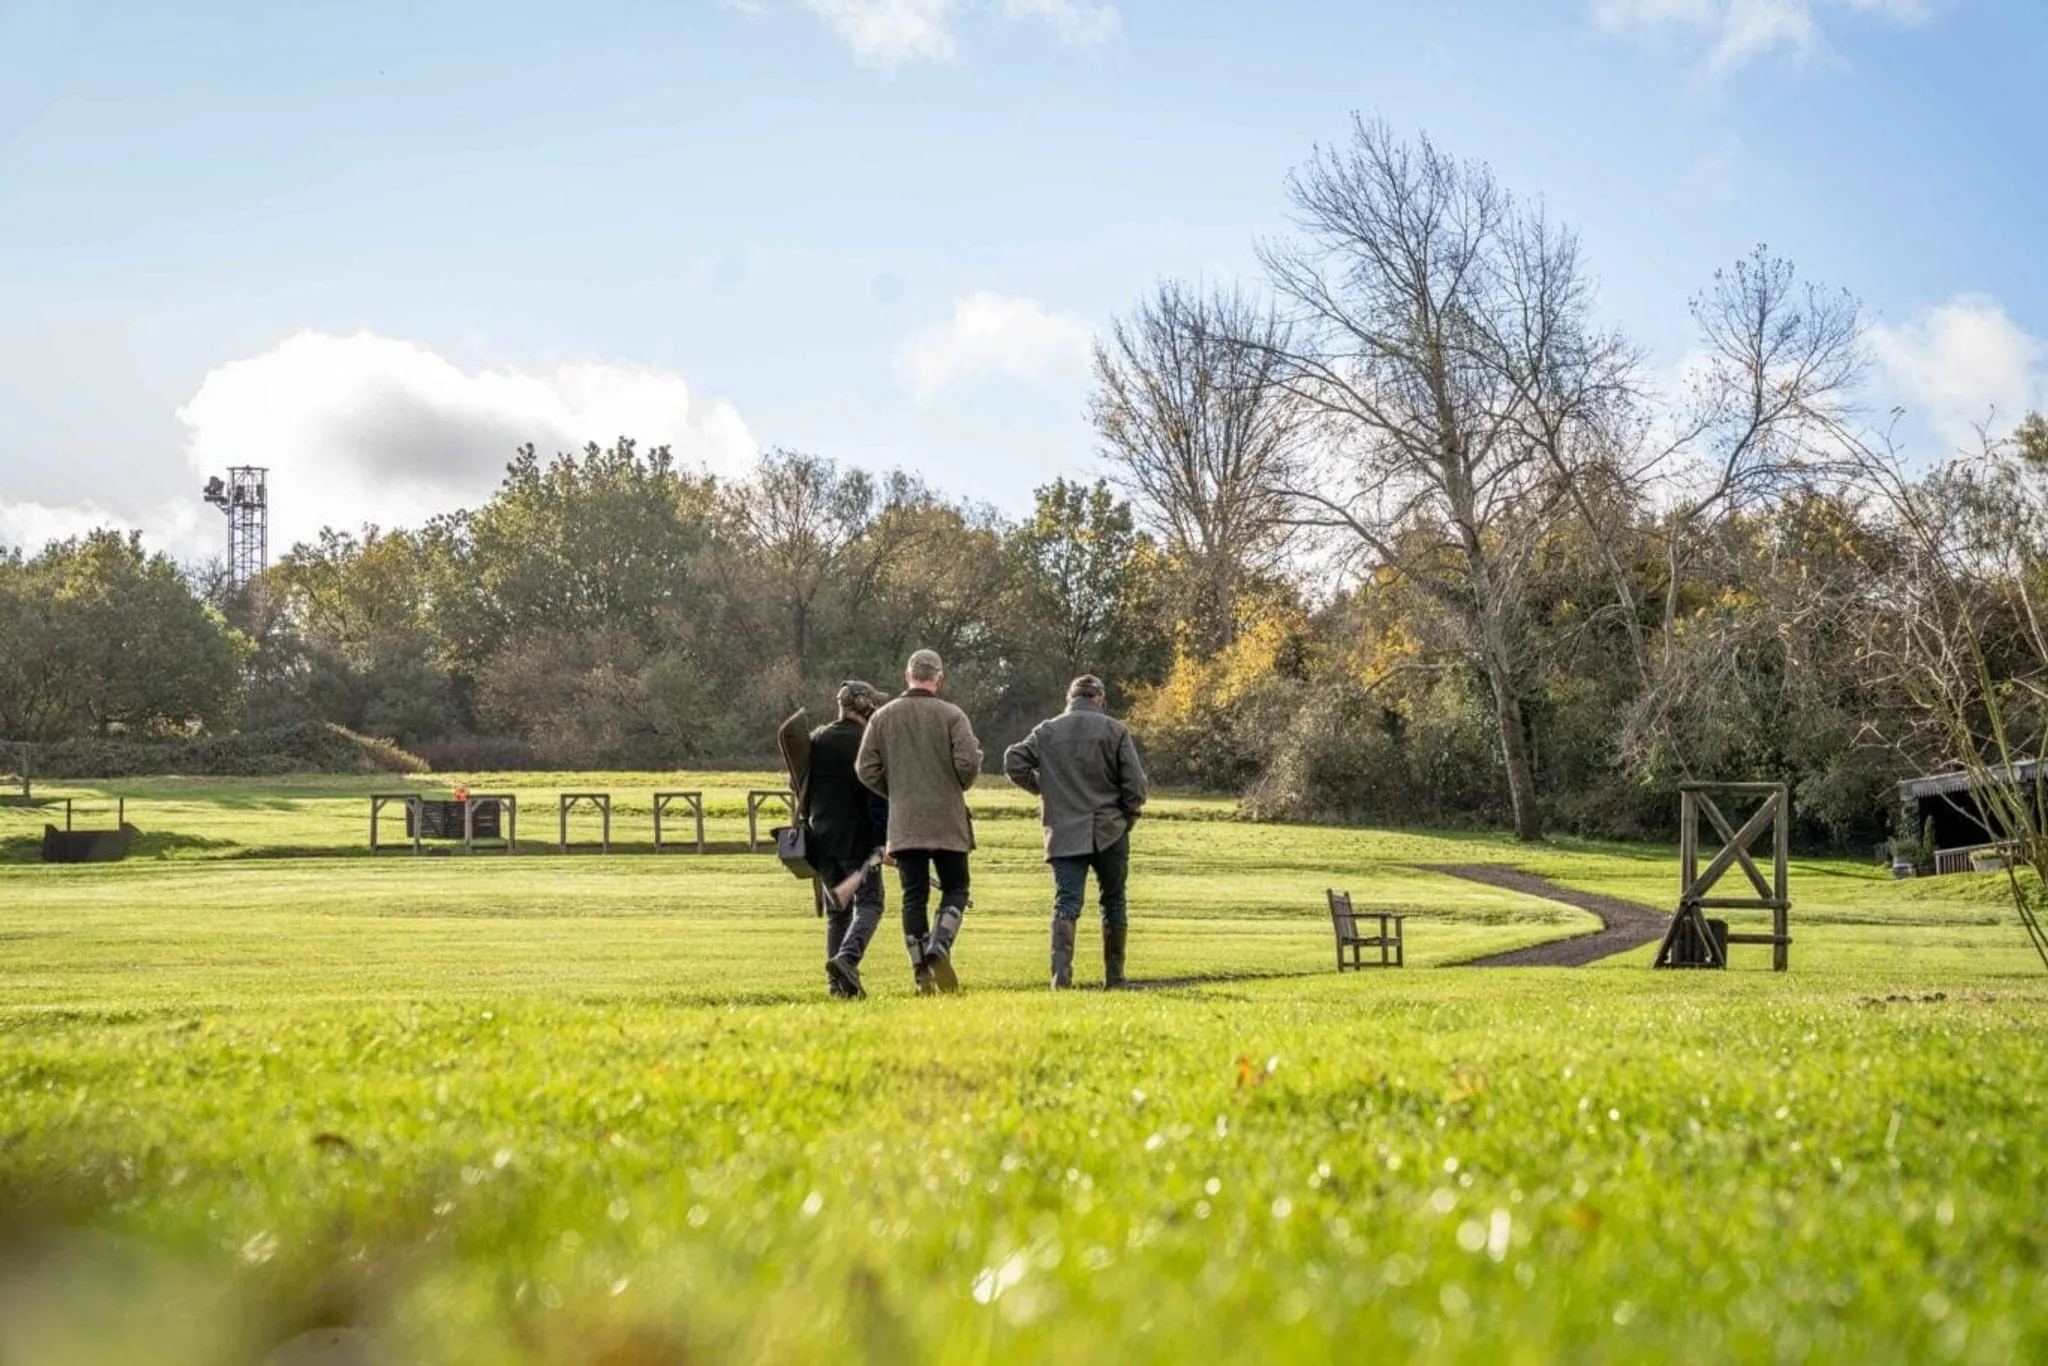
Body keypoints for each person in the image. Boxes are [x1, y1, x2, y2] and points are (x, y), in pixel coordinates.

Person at [1002, 674, 1149, 989]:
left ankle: (1061, 979)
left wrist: (1045, 789)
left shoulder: (1047, 731)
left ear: (1070, 698)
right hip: (1110, 828)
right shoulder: (1115, 730)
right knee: (1113, 900)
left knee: (1066, 902)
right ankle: (1115, 978)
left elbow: (1014, 761)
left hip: (1064, 830)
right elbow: (1136, 786)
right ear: (1099, 698)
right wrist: (1128, 816)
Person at [856, 649, 982, 994]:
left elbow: (865, 768)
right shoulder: (953, 715)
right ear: (938, 679)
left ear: (907, 676)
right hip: (948, 819)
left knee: (914, 897)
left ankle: (921, 975)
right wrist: (957, 783)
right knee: (956, 888)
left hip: (905, 821)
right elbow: (968, 764)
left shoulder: (882, 718)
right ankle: (940, 944)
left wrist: (895, 790)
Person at [803, 680, 888, 999]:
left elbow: (797, 784)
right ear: (865, 706)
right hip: (858, 839)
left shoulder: (817, 738)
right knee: (871, 903)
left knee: (838, 913)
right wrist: (884, 840)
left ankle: (838, 987)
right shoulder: (868, 742)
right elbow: (877, 794)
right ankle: (847, 960)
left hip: (821, 839)